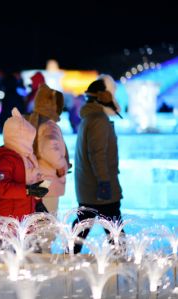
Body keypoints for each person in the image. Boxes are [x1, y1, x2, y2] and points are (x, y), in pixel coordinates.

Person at [72, 78, 124, 254]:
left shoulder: (90, 118)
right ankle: (123, 264)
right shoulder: (98, 120)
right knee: (115, 231)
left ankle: (67, 259)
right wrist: (104, 181)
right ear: (102, 96)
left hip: (89, 186)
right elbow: (97, 154)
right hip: (99, 189)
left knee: (82, 226)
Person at [0, 107, 49, 248]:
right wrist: (29, 190)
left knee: (27, 260)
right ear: (19, 137)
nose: (30, 142)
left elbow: (31, 181)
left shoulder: (25, 156)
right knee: (7, 261)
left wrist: (38, 199)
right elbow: (1, 187)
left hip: (25, 217)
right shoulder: (5, 158)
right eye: (28, 138)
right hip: (7, 221)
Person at [26, 83, 71, 252]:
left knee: (37, 221)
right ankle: (44, 260)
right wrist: (61, 165)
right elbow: (50, 146)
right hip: (48, 183)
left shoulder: (32, 122)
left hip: (36, 182)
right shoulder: (49, 126)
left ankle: (34, 256)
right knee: (48, 224)